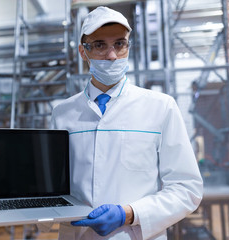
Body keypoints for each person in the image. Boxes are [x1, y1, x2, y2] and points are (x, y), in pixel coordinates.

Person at [50, 6, 203, 240]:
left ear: (128, 47)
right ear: (83, 52)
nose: (112, 55)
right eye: (100, 45)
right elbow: (54, 186)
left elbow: (187, 189)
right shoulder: (62, 113)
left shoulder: (161, 107)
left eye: (119, 44)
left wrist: (128, 214)